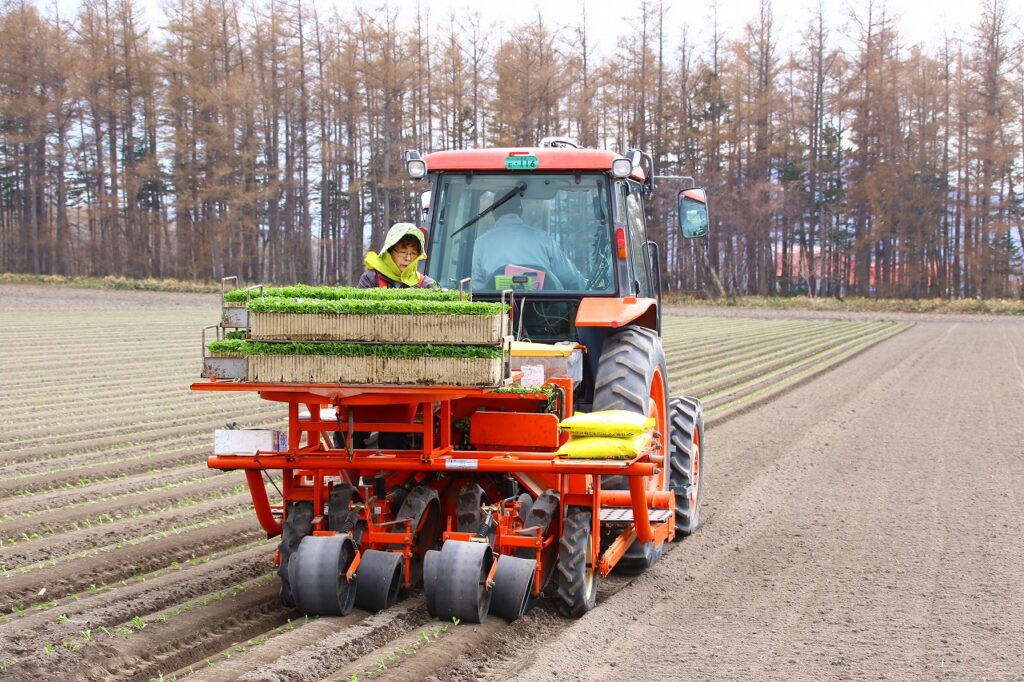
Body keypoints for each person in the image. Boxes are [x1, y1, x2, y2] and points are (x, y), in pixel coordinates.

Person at [471, 195, 585, 290]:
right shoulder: (543, 239)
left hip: (499, 313)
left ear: (493, 213)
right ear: (520, 211)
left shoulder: (481, 243)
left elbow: (477, 287)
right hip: (546, 313)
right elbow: (570, 277)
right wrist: (589, 288)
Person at [357, 222, 436, 289]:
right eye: (403, 252)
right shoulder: (371, 279)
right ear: (389, 252)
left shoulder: (426, 285)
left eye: (413, 253)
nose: (408, 258)